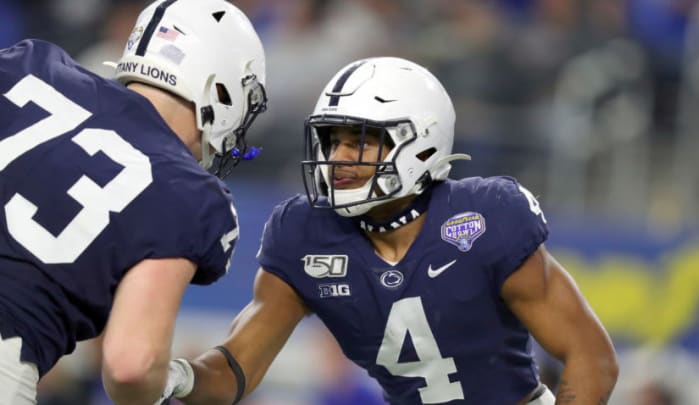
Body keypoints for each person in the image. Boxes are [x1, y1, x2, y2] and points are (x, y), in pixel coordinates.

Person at [156, 57, 618, 404]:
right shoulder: (304, 233)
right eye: (333, 140)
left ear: (421, 141)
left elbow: (591, 357)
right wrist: (181, 376)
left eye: (360, 140)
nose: (338, 157)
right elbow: (237, 366)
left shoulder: (483, 218)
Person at [0, 0, 267, 404]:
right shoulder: (190, 193)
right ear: (223, 89)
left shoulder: (31, 63)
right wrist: (170, 381)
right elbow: (132, 364)